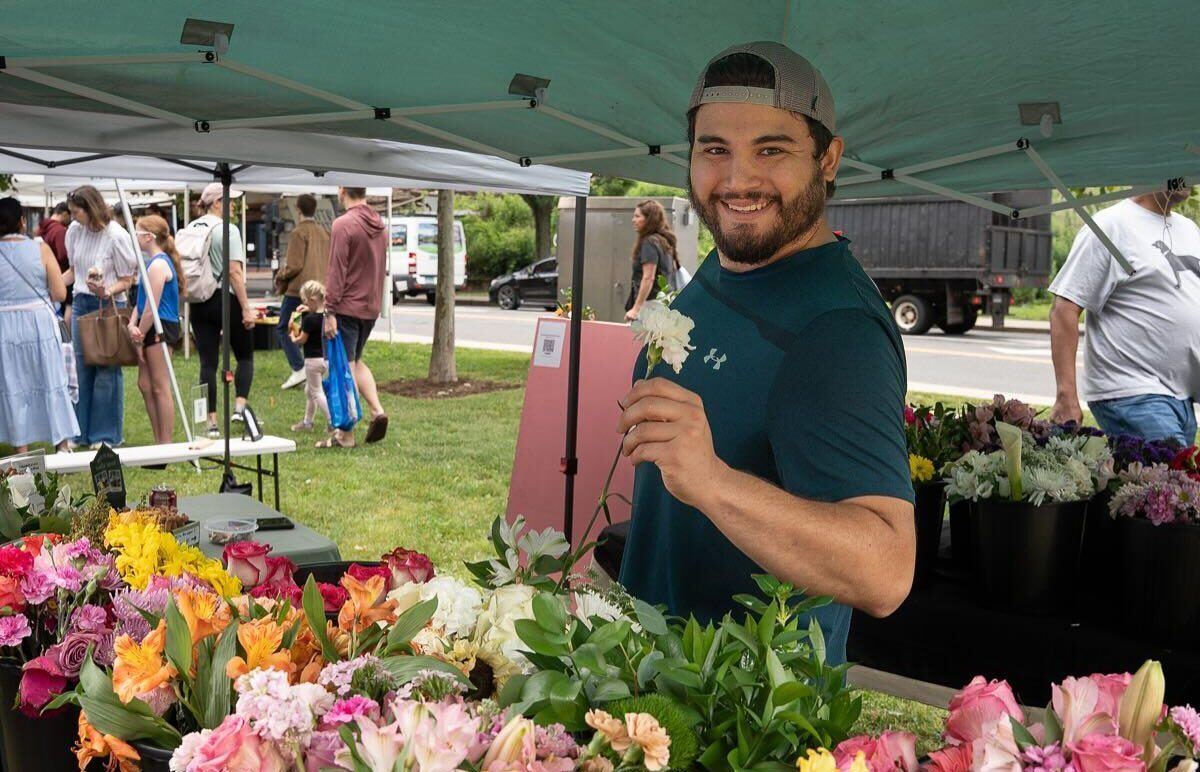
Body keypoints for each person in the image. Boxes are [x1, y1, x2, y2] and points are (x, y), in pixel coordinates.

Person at [616, 42, 915, 666]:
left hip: (742, 729)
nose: (737, 180)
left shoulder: (839, 326)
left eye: (771, 150)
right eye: (714, 149)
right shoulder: (732, 262)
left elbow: (887, 571)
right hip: (648, 692)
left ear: (828, 159)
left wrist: (714, 482)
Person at [1049, 187, 1200, 446]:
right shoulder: (1110, 226)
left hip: (1182, 397)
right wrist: (1066, 394)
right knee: (1178, 480)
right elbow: (1065, 307)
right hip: (1132, 392)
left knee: (1175, 483)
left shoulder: (1189, 229)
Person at [0, 197, 79, 452]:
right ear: (22, 221)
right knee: (50, 378)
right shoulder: (40, 248)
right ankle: (62, 444)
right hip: (38, 323)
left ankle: (20, 451)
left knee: (12, 383)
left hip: (4, 325)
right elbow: (59, 293)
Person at [65, 185, 138, 449]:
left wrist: (106, 289)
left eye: (76, 212)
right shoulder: (74, 231)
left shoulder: (116, 236)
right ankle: (79, 432)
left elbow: (128, 278)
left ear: (91, 209)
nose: (72, 217)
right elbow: (73, 271)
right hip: (82, 301)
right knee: (81, 368)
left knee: (107, 368)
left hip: (108, 305)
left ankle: (106, 435)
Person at [320, 187, 388, 448]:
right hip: (369, 307)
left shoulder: (343, 224)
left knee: (342, 367)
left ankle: (345, 435)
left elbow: (336, 270)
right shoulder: (379, 224)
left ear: (342, 190)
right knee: (356, 362)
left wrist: (329, 310)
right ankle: (377, 411)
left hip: (347, 307)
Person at [186, 182, 256, 439]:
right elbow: (234, 272)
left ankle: (210, 421)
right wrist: (246, 308)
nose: (234, 206)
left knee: (207, 363)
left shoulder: (191, 227)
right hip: (224, 297)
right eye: (230, 201)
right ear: (217, 203)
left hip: (198, 299)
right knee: (245, 354)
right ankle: (239, 407)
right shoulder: (228, 230)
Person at [128, 215, 183, 445]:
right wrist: (133, 323)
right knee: (145, 384)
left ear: (149, 237)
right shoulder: (150, 263)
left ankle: (165, 443)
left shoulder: (159, 264)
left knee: (160, 386)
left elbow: (152, 307)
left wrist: (139, 334)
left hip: (160, 325)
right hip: (149, 324)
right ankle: (158, 439)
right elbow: (142, 302)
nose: (134, 238)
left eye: (137, 233)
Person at [275, 194, 331, 390]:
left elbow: (294, 265)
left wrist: (281, 274)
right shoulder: (325, 233)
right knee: (318, 331)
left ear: (297, 209)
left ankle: (299, 368)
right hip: (320, 289)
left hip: (299, 290)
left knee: (283, 327)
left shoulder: (299, 233)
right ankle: (318, 369)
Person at [623, 200, 679, 321]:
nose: (633, 220)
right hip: (664, 301)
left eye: (637, 216)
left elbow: (648, 277)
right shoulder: (663, 241)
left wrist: (636, 309)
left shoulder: (649, 242)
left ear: (649, 219)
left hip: (651, 305)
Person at [289, 280, 331, 433]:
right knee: (310, 391)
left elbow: (302, 339)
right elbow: (317, 310)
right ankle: (308, 422)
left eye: (306, 301)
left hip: (312, 360)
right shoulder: (327, 315)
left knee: (317, 392)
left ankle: (332, 421)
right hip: (325, 359)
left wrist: (294, 339)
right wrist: (307, 308)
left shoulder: (309, 320)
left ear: (312, 300)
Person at [37, 202, 72, 319]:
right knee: (67, 306)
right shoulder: (59, 230)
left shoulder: (41, 228)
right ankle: (65, 336)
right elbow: (63, 255)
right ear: (64, 214)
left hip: (44, 275)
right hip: (60, 275)